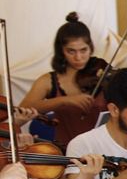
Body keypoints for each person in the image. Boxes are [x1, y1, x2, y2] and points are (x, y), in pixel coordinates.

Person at [21, 13, 108, 147]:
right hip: (67, 149)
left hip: (104, 146)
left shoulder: (102, 72)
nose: (78, 57)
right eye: (71, 51)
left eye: (83, 50)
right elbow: (24, 108)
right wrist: (65, 100)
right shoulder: (48, 80)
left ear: (91, 47)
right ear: (61, 51)